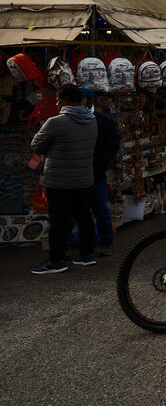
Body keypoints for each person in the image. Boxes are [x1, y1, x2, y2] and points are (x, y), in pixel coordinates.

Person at [30, 84, 98, 274]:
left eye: (59, 99)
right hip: (83, 178)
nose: (58, 103)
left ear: (67, 100)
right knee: (83, 216)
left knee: (59, 221)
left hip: (59, 180)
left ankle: (57, 259)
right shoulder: (91, 120)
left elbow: (36, 145)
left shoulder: (56, 122)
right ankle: (87, 254)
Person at [80, 88, 119, 256]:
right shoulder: (68, 120)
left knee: (99, 209)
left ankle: (105, 240)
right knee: (78, 210)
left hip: (95, 173)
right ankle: (81, 241)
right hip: (76, 173)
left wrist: (100, 163)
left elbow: (112, 146)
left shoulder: (104, 121)